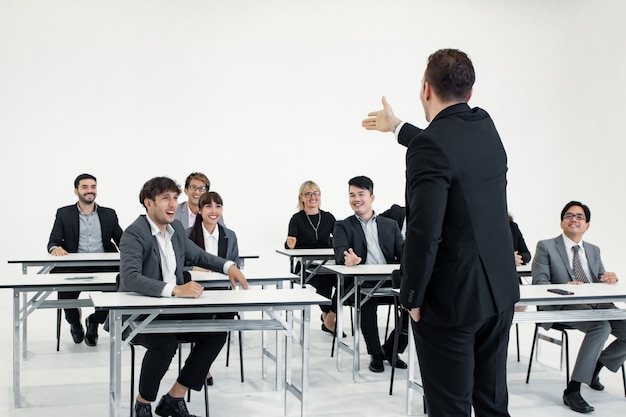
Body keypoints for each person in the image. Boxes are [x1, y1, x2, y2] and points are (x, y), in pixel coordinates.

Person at [362, 49, 519, 416]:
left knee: (449, 408)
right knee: (493, 406)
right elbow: (448, 147)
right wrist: (397, 126)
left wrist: (412, 296)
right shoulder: (484, 125)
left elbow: (423, 231)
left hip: (451, 302)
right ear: (470, 91)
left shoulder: (431, 147)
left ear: (426, 89)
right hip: (498, 294)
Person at [119, 176, 248, 417]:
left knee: (217, 331)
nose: (172, 204)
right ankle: (143, 403)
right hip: (140, 313)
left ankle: (173, 398)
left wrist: (229, 266)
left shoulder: (175, 229)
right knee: (165, 342)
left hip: (171, 311)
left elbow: (199, 255)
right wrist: (175, 289)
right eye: (165, 198)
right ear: (148, 203)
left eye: (175, 198)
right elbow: (130, 278)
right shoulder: (134, 233)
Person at [532, 200, 625, 414]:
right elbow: (539, 284)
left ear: (587, 225)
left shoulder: (593, 250)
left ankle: (595, 367)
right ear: (562, 222)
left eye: (580, 217)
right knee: (601, 327)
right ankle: (573, 390)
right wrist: (564, 287)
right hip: (564, 305)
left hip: (596, 303)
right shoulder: (546, 246)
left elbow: (600, 281)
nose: (574, 219)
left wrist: (610, 279)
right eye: (569, 216)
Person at [333, 175, 408, 373]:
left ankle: (392, 350)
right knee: (366, 302)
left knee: (413, 301)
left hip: (389, 279)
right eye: (352, 195)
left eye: (361, 194)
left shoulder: (390, 225)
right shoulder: (343, 225)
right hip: (362, 283)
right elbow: (340, 250)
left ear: (372, 197)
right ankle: (375, 354)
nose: (356, 199)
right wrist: (346, 259)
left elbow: (402, 253)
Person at [47, 173, 123, 346]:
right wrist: (55, 248)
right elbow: (53, 241)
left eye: (93, 187)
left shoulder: (108, 214)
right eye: (85, 187)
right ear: (76, 191)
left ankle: (94, 322)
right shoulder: (64, 213)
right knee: (65, 295)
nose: (90, 191)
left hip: (103, 265)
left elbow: (122, 239)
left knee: (118, 289)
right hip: (75, 265)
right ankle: (74, 322)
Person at [187, 191, 240, 386]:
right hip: (194, 293)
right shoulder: (186, 235)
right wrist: (195, 268)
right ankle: (201, 367)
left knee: (220, 327)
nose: (214, 211)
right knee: (202, 323)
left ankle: (200, 364)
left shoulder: (230, 235)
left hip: (223, 294)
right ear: (199, 210)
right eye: (208, 206)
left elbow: (235, 265)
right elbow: (177, 267)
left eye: (218, 206)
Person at [285, 180, 339, 334]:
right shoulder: (296, 219)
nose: (312, 197)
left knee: (345, 282)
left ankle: (330, 316)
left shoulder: (329, 218)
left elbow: (339, 239)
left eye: (316, 193)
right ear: (301, 198)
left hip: (328, 265)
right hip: (306, 267)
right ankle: (327, 316)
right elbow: (289, 243)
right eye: (308, 194)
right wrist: (290, 244)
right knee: (323, 283)